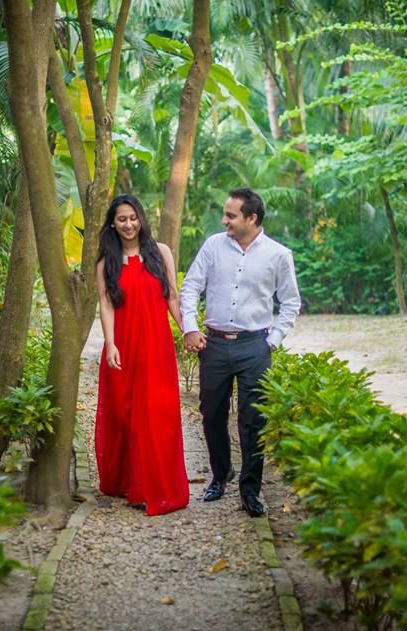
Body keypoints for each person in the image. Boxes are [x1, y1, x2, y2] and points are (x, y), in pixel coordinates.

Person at [180, 187, 301, 517]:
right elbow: (191, 287)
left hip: (255, 347)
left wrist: (272, 340)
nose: (224, 220)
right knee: (212, 415)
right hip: (214, 344)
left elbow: (290, 302)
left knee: (254, 420)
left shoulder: (278, 255)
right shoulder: (213, 247)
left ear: (252, 218)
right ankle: (221, 475)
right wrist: (190, 326)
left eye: (231, 215)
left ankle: (250, 490)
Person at [94, 194, 189, 516]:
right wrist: (110, 344)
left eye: (133, 217)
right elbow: (106, 304)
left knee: (156, 414)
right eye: (122, 219)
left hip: (156, 346)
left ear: (141, 218)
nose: (129, 224)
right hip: (123, 346)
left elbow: (172, 296)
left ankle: (154, 486)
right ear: (112, 223)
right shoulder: (106, 261)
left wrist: (188, 330)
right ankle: (125, 481)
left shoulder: (160, 253)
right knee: (124, 415)